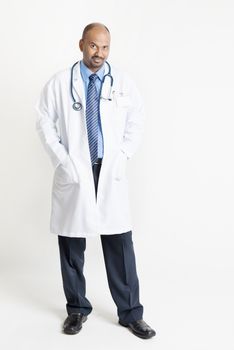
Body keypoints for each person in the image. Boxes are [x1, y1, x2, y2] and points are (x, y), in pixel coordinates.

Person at [35, 22, 156, 340]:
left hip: (109, 170)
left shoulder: (123, 83)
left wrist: (125, 153)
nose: (99, 53)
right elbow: (44, 121)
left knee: (120, 244)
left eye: (105, 47)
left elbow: (137, 119)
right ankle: (76, 309)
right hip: (75, 170)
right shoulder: (61, 83)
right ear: (81, 44)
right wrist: (63, 159)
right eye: (93, 46)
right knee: (72, 244)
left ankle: (131, 313)